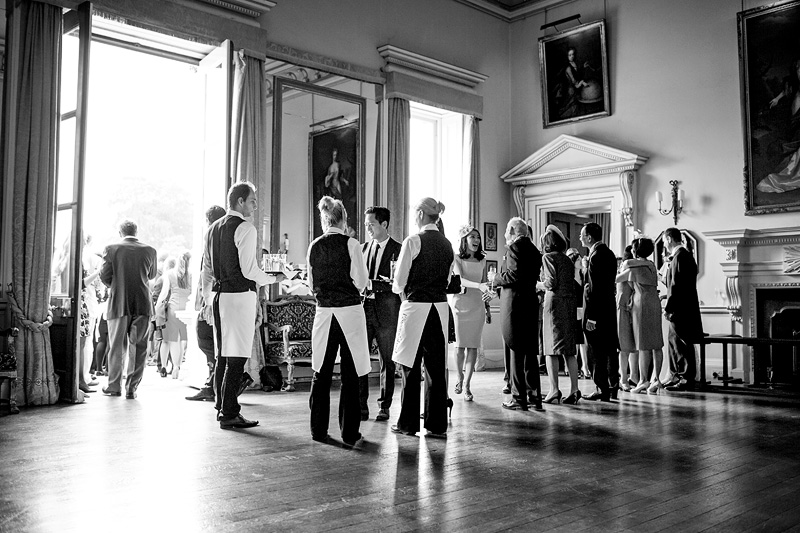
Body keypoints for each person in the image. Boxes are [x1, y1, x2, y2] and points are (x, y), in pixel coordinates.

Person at [202, 182, 278, 430]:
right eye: (252, 200)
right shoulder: (245, 228)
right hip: (240, 296)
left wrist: (206, 298)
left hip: (219, 296)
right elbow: (249, 270)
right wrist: (276, 278)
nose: (255, 206)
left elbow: (208, 269)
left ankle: (222, 405)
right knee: (237, 357)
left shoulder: (212, 229)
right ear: (240, 202)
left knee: (224, 353)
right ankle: (229, 413)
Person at [307, 196, 371, 446]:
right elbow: (362, 281)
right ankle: (349, 432)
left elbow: (312, 285)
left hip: (324, 314)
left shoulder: (314, 245)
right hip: (350, 313)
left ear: (324, 220)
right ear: (343, 219)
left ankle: (318, 430)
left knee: (320, 371)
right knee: (350, 373)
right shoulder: (352, 244)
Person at [390, 197, 454, 438]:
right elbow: (448, 281)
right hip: (439, 308)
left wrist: (401, 290)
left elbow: (398, 282)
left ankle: (407, 423)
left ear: (419, 214)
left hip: (416, 307)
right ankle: (436, 424)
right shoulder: (447, 244)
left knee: (410, 367)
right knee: (436, 369)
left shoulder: (413, 241)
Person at [99, 219, 158, 399]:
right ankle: (132, 388)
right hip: (142, 303)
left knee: (116, 346)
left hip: (118, 303)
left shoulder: (111, 249)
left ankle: (114, 386)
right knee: (138, 347)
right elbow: (152, 275)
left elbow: (104, 275)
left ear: (120, 232)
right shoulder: (150, 250)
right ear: (136, 232)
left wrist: (116, 285)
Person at [490, 217, 543, 411]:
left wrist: (496, 278)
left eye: (506, 230)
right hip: (530, 304)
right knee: (530, 351)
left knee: (515, 349)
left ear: (513, 230)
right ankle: (534, 395)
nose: (505, 234)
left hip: (515, 306)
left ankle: (518, 397)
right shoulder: (535, 251)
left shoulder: (514, 248)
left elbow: (513, 276)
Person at [358, 206, 402, 422]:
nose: (367, 228)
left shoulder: (400, 250)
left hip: (387, 311)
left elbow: (399, 284)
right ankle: (361, 406)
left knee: (387, 361)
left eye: (371, 224)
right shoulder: (362, 248)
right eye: (366, 225)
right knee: (361, 359)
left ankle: (384, 406)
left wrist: (373, 284)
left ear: (384, 224)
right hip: (364, 310)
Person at [186, 205, 226, 402]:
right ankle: (213, 383)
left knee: (206, 338)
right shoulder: (218, 239)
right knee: (210, 341)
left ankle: (215, 384)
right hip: (211, 299)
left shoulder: (213, 240)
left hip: (212, 300)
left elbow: (207, 274)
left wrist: (205, 303)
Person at [616, 237, 665, 394]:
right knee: (657, 343)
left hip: (641, 303)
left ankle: (643, 380)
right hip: (655, 302)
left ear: (635, 250)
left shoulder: (631, 265)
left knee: (643, 344)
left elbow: (616, 279)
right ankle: (656, 379)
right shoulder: (651, 265)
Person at [538, 225, 580, 405]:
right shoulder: (567, 259)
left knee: (551, 349)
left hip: (554, 304)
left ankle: (554, 390)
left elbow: (550, 282)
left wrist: (537, 284)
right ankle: (575, 389)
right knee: (569, 349)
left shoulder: (547, 257)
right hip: (569, 303)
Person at [579, 222, 619, 402]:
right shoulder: (609, 253)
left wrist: (592, 318)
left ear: (589, 237)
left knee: (597, 351)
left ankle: (601, 388)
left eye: (582, 234)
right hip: (609, 308)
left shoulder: (595, 257)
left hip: (597, 311)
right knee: (610, 348)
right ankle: (612, 386)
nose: (580, 237)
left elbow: (595, 289)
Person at [662, 227, 703, 392]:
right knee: (674, 343)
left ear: (670, 239)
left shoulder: (680, 257)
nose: (664, 243)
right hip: (683, 307)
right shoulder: (685, 256)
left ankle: (686, 378)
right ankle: (677, 376)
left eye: (665, 240)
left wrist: (668, 307)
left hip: (680, 310)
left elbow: (676, 286)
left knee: (682, 344)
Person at [450, 224, 488, 402]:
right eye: (472, 237)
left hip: (477, 305)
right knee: (460, 346)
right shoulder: (456, 258)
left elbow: (485, 283)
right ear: (464, 240)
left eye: (478, 237)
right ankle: (459, 377)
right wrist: (479, 286)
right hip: (460, 304)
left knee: (473, 346)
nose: (476, 240)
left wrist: (487, 304)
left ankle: (467, 384)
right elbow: (460, 280)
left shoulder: (482, 260)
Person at [155, 251, 192, 380]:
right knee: (184, 340)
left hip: (173, 309)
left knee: (173, 340)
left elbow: (164, 293)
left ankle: (173, 366)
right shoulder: (191, 275)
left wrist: (157, 307)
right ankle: (177, 367)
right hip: (187, 308)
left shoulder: (170, 274)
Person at [616, 245, 639, 392]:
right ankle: (623, 378)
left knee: (635, 346)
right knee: (624, 347)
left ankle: (634, 377)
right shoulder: (626, 269)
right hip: (623, 309)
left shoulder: (635, 269)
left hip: (634, 310)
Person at [566, 248, 590, 379]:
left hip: (583, 310)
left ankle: (585, 366)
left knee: (583, 341)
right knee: (574, 341)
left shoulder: (583, 275)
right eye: (578, 260)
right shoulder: (569, 278)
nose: (581, 261)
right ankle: (571, 367)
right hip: (573, 311)